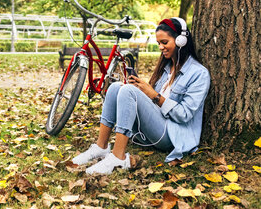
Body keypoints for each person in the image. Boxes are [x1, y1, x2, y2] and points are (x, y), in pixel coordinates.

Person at [72, 17, 211, 175]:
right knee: (116, 87)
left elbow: (184, 115)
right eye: (159, 43)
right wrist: (143, 90)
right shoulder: (166, 68)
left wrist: (152, 94)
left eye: (164, 42)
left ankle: (118, 157)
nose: (160, 47)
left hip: (172, 134)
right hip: (155, 127)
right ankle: (100, 147)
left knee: (127, 91)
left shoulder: (199, 74)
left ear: (181, 41)